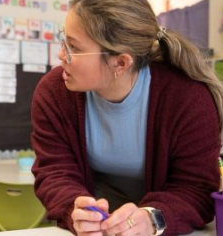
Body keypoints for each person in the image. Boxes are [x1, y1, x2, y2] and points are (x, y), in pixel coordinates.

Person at [31, 0, 223, 235]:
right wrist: (75, 209)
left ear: (121, 62)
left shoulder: (188, 98)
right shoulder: (54, 91)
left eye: (74, 48)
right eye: (64, 41)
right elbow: (54, 172)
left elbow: (196, 189)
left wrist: (152, 218)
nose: (61, 56)